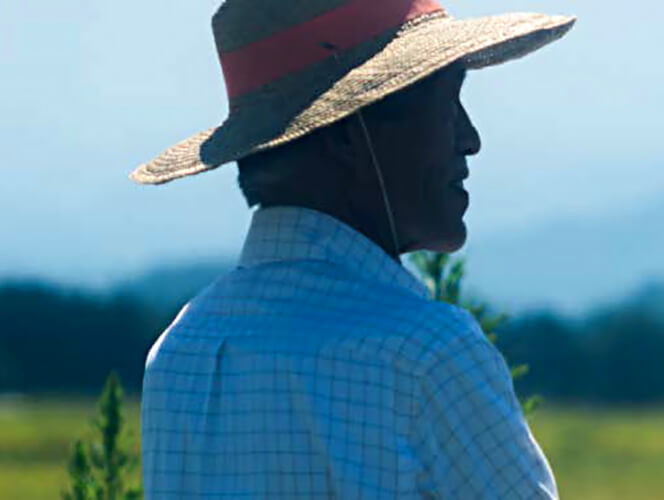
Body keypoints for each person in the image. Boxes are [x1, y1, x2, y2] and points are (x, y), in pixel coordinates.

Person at [133, 0, 575, 498]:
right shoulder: (427, 353)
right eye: (445, 106)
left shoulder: (181, 352)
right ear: (348, 134)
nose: (469, 138)